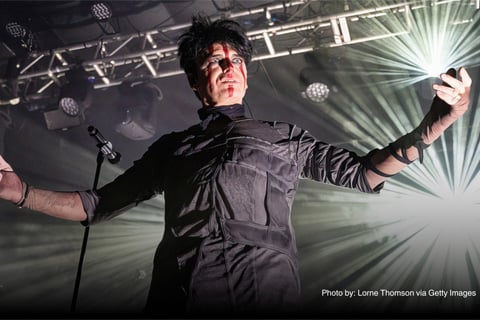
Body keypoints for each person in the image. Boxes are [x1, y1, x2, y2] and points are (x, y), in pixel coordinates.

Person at [0, 15, 472, 315]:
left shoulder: (284, 137)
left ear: (245, 72)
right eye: (214, 60)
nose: (229, 66)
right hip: (181, 291)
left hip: (262, 289)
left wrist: (436, 121)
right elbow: (97, 204)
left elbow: (364, 173)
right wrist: (20, 191)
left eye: (235, 60)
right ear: (194, 79)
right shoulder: (172, 147)